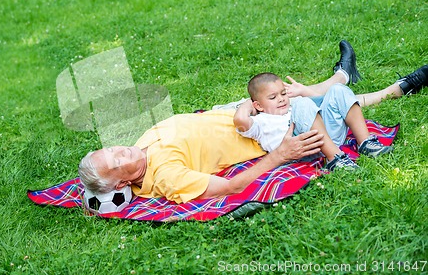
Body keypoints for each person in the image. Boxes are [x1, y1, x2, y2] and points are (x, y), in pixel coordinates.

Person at [79, 40, 427, 203]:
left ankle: (342, 79)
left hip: (236, 113)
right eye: (117, 160)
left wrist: (243, 109)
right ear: (122, 184)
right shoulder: (165, 176)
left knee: (291, 94)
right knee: (303, 102)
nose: (121, 149)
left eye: (111, 148)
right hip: (266, 132)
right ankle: (377, 85)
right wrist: (280, 157)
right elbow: (228, 188)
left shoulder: (140, 148)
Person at [233, 72, 391, 172]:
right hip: (300, 152)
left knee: (337, 90)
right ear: (258, 105)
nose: (281, 99)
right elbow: (240, 119)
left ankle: (366, 142)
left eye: (283, 93)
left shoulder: (291, 107)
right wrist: (250, 102)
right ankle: (335, 159)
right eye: (273, 97)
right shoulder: (260, 122)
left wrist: (302, 91)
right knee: (302, 104)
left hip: (325, 139)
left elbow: (323, 102)